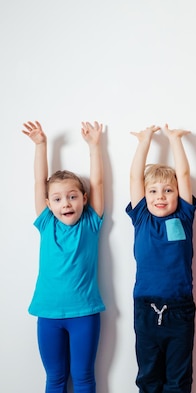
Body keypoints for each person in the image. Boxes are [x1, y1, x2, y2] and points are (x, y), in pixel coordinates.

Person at [22, 120, 105, 393]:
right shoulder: (46, 223)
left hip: (85, 314)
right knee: (55, 379)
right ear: (48, 204)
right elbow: (39, 182)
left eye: (72, 197)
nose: (66, 203)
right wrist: (41, 145)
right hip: (47, 314)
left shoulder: (90, 222)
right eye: (57, 199)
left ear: (84, 198)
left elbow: (98, 182)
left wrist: (95, 147)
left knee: (82, 378)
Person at [127, 124, 196, 393]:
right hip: (146, 308)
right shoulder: (142, 217)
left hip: (180, 308)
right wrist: (144, 141)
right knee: (148, 377)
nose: (160, 196)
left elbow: (184, 173)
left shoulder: (184, 216)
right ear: (144, 196)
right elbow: (135, 177)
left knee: (178, 380)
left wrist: (175, 140)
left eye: (168, 190)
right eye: (153, 191)